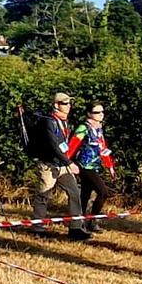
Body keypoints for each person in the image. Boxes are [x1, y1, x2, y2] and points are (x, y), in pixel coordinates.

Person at [29, 92, 87, 240]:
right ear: (56, 105)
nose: (68, 106)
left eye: (69, 103)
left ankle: (76, 227)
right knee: (43, 195)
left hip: (61, 164)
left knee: (74, 192)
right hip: (49, 165)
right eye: (64, 103)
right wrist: (69, 163)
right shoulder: (49, 121)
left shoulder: (64, 121)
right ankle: (37, 227)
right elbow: (53, 145)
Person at [67, 101, 116, 235]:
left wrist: (110, 165)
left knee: (85, 194)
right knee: (103, 192)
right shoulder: (84, 128)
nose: (101, 115)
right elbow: (73, 145)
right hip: (84, 166)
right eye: (97, 112)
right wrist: (67, 162)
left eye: (102, 112)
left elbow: (102, 147)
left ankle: (80, 223)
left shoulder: (99, 128)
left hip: (95, 166)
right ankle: (92, 220)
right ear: (89, 114)